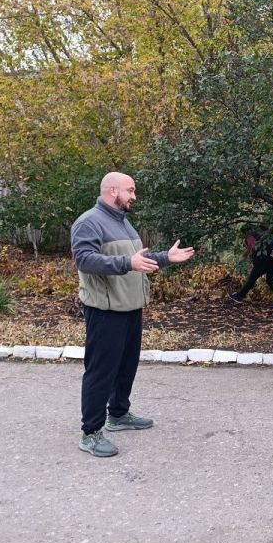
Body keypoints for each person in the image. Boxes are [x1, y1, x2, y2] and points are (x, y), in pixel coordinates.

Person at [71, 171, 195, 458]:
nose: (134, 196)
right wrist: (127, 262)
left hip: (130, 306)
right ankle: (90, 433)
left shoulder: (123, 221)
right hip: (105, 310)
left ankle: (118, 414)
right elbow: (85, 260)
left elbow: (137, 261)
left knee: (126, 366)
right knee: (101, 372)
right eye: (130, 190)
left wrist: (165, 258)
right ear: (113, 191)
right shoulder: (89, 222)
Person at [228, 226, 273, 307]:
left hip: (264, 260)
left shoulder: (250, 236)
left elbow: (250, 248)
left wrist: (241, 258)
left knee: (252, 278)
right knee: (271, 280)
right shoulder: (268, 235)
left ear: (246, 232)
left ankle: (239, 296)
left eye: (244, 234)